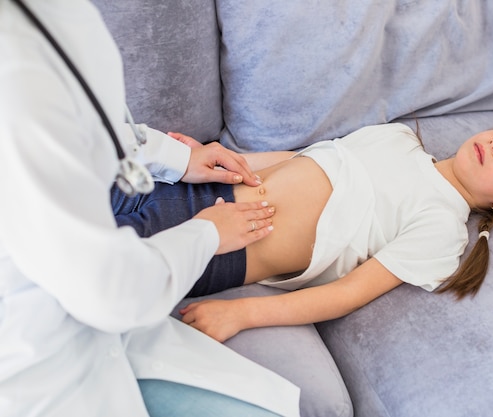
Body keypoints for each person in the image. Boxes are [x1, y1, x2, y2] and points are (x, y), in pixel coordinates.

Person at [0, 1, 300, 417]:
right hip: (41, 368)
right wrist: (206, 234)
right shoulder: (15, 73)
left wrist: (175, 158)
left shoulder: (53, 16)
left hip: (98, 318)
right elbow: (109, 292)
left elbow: (81, 122)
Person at [112, 118, 493, 343]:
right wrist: (210, 160)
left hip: (221, 248)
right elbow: (300, 160)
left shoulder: (441, 228)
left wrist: (242, 314)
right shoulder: (398, 137)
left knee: (92, 268)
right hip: (190, 184)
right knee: (65, 197)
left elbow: (349, 293)